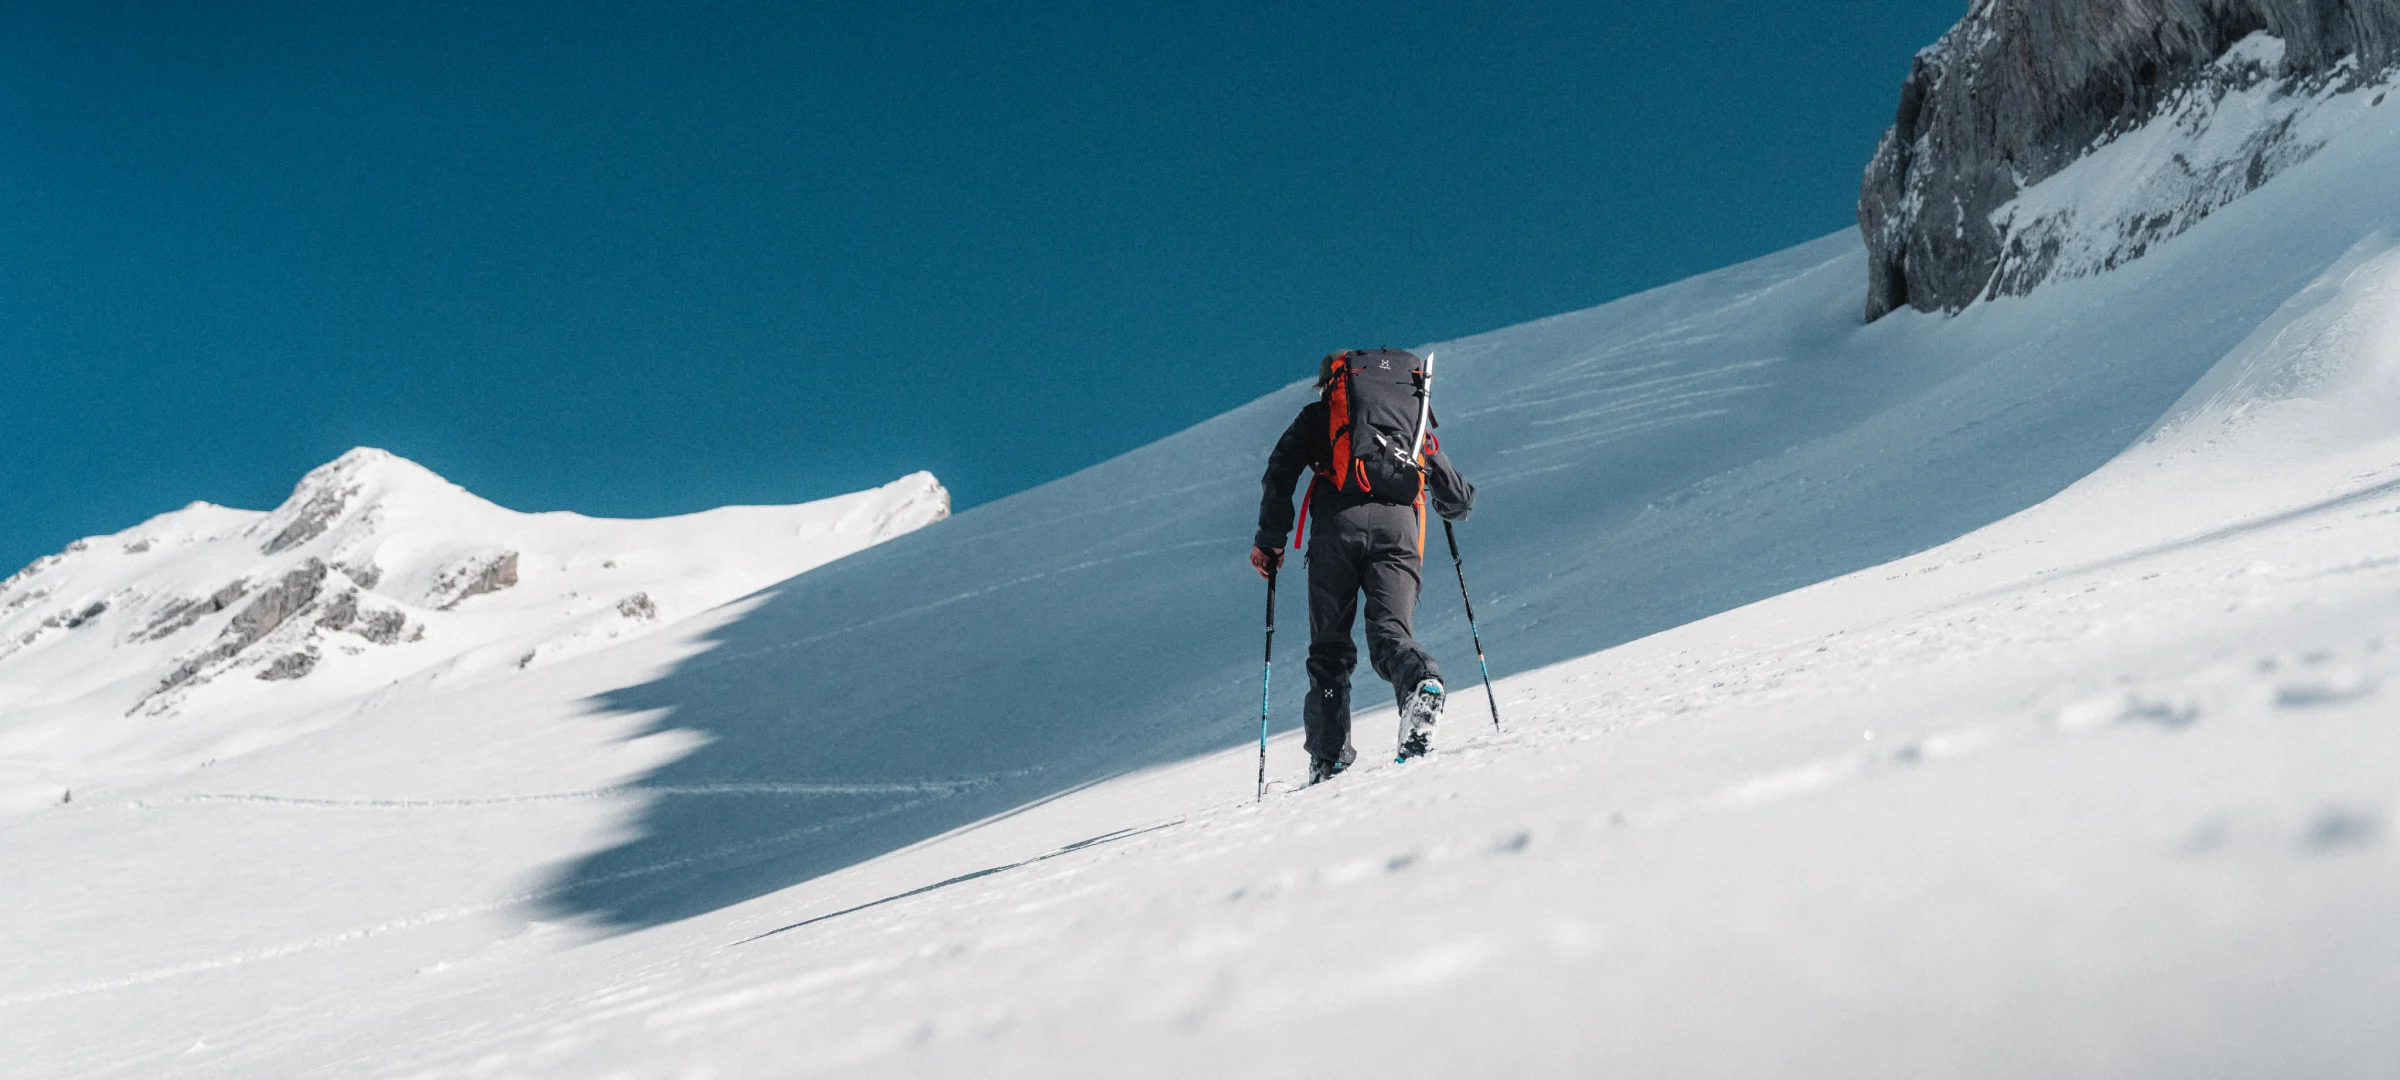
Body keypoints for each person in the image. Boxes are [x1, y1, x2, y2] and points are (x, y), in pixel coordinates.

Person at [1252, 348, 1475, 784]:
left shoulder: (1319, 418)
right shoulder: (1410, 425)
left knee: (1330, 647)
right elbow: (1460, 500)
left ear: (1335, 387)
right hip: (1398, 526)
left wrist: (1270, 541)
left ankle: (1329, 757)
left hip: (1336, 526)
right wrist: (1445, 501)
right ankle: (1420, 683)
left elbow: (1279, 471)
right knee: (1391, 631)